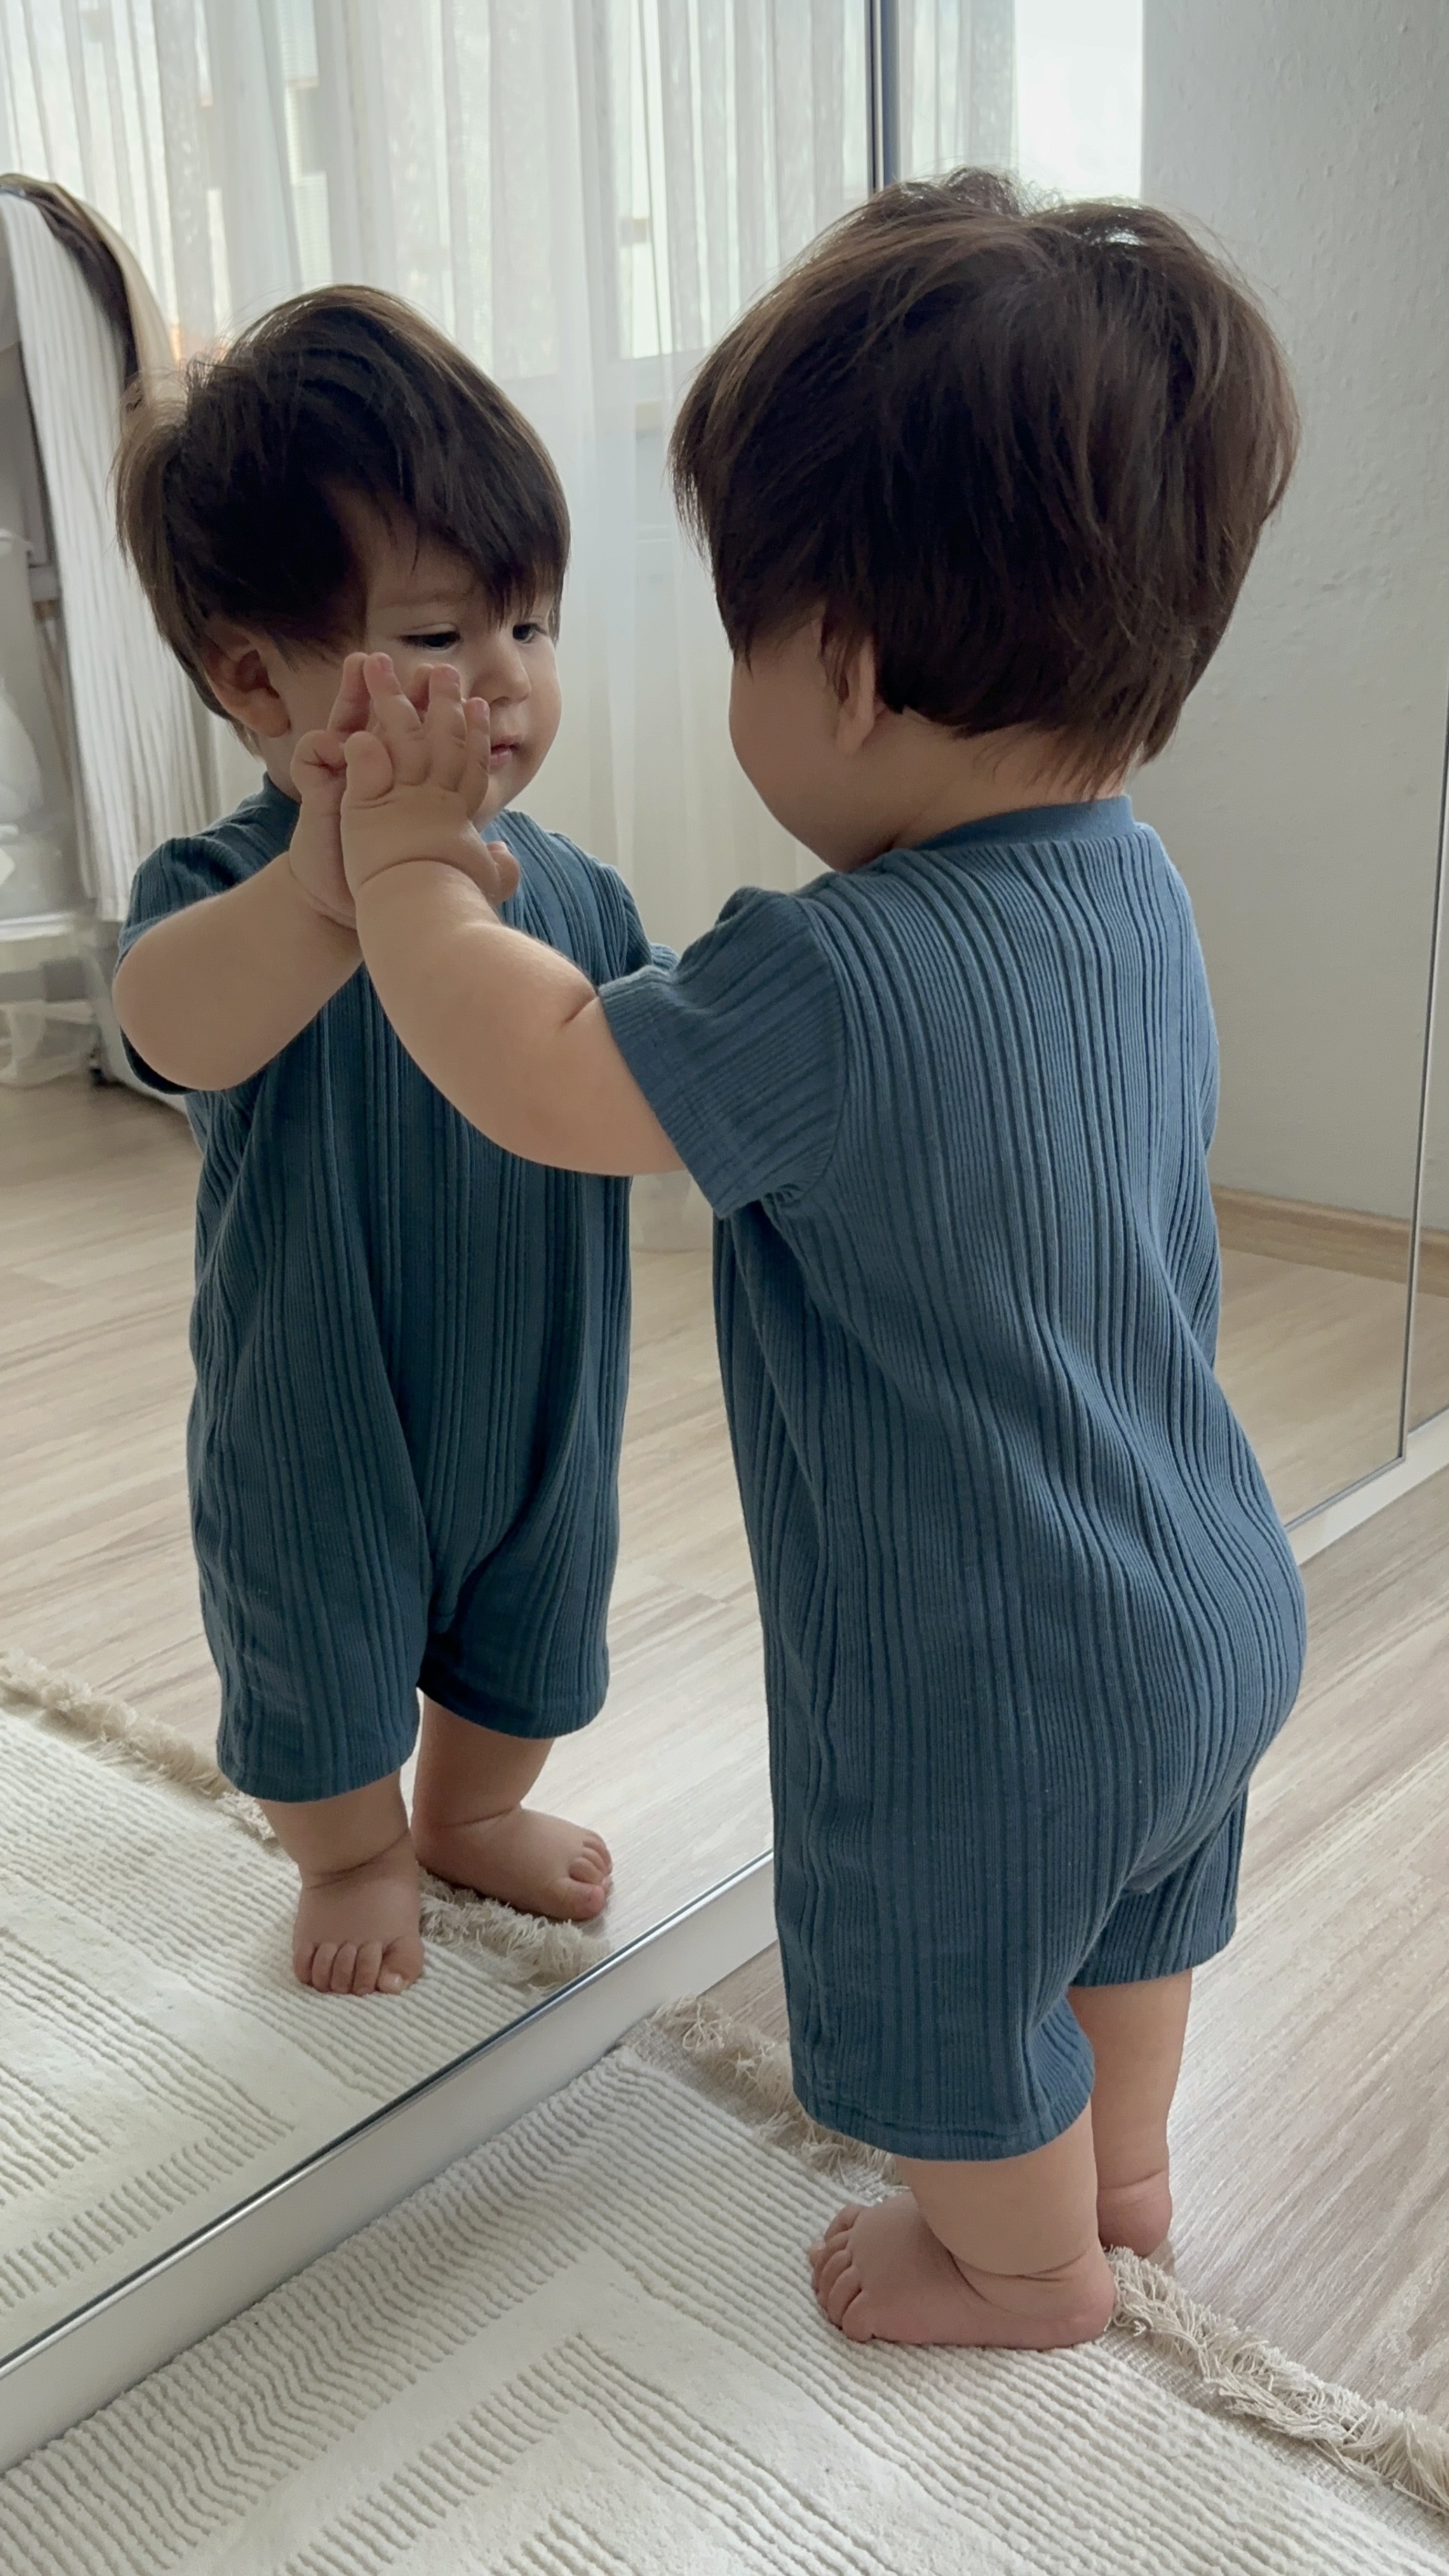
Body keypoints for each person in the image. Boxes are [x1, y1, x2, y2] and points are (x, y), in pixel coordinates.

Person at [330, 172, 1307, 2348]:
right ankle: (1123, 2173)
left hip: (987, 1668)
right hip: (1208, 1587)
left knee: (950, 1972)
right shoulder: (1135, 890)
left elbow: (552, 1078)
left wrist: (404, 871)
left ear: (844, 669)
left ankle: (1024, 2266)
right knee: (1131, 1913)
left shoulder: (832, 976)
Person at [112, 287, 657, 1997]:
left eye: (532, 623)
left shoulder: (574, 894)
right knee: (315, 1653)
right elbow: (165, 1026)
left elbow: (651, 1081)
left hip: (540, 1382)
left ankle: (469, 1810)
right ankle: (354, 1844)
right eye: (436, 633)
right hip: (318, 1400)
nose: (503, 678)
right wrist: (321, 896)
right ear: (253, 675)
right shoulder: (231, 890)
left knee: (530, 1635)